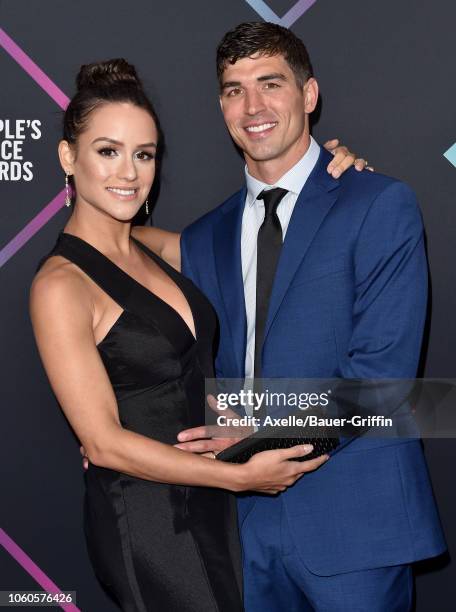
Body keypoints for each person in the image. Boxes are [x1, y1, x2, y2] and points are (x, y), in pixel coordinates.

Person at [30, 59, 333, 612]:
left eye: (143, 154)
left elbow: (253, 229)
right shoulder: (61, 285)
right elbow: (101, 443)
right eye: (107, 151)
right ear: (68, 157)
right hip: (149, 520)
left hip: (212, 504)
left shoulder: (149, 246)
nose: (129, 172)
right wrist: (242, 480)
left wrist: (327, 169)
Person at [168, 22, 447, 612]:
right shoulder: (203, 237)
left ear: (309, 94)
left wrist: (261, 428)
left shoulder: (377, 203)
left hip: (354, 522)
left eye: (270, 83)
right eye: (233, 89)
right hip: (240, 527)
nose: (253, 106)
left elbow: (381, 384)